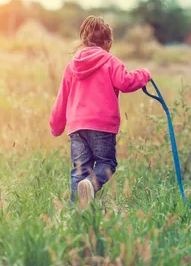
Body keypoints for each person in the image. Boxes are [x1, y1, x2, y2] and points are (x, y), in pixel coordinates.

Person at [49, 15, 151, 208]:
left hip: (77, 128)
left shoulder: (72, 66)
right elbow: (126, 82)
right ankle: (90, 185)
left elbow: (61, 98)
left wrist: (56, 126)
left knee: (79, 171)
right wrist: (144, 74)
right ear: (108, 42)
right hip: (102, 126)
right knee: (107, 164)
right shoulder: (110, 61)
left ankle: (76, 211)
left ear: (84, 41)